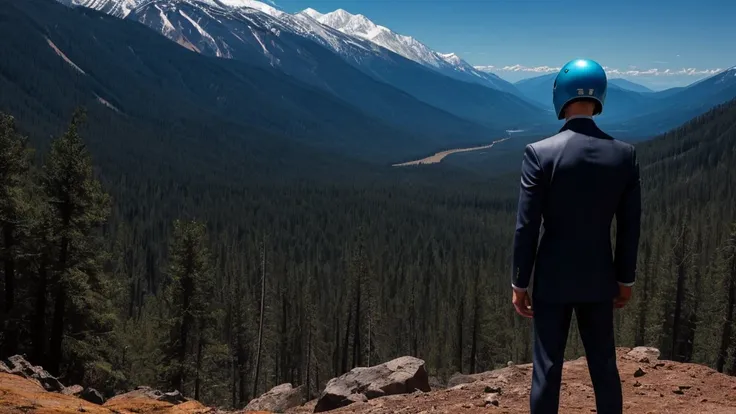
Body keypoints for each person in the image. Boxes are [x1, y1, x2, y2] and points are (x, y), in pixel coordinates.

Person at [510, 58, 641, 414]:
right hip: (600, 278)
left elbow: (526, 226)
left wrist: (520, 283)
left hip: (552, 278)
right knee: (603, 366)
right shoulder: (625, 156)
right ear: (600, 96)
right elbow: (630, 227)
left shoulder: (540, 154)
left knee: (547, 369)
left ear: (561, 96)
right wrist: (624, 279)